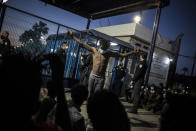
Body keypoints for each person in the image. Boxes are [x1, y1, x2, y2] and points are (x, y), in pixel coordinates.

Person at [68, 30, 138, 97]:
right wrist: (72, 36)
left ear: (107, 47)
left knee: (97, 94)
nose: (103, 49)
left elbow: (121, 55)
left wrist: (132, 52)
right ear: (100, 45)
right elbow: (82, 43)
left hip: (101, 78)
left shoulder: (108, 53)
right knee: (89, 93)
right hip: (92, 76)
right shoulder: (94, 50)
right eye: (102, 47)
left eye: (104, 48)